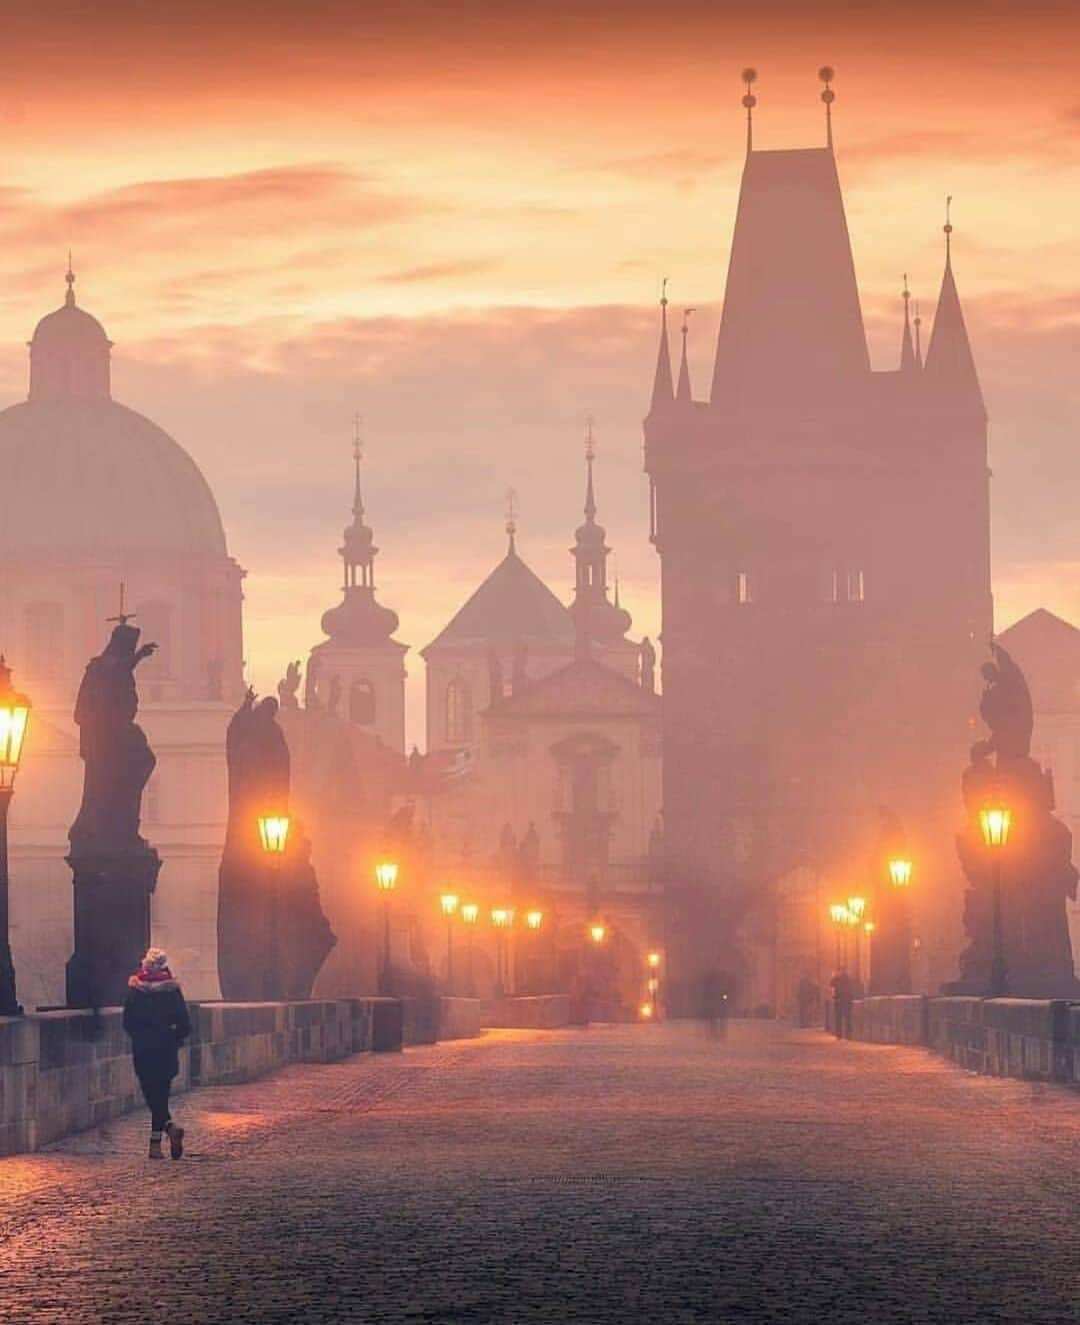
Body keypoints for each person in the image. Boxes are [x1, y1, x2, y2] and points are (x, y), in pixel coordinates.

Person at [123, 947, 191, 1159]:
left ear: (144, 965)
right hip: (166, 1049)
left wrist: (140, 1037)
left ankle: (160, 1139)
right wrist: (174, 1039)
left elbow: (127, 1022)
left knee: (152, 1096)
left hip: (144, 1050)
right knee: (161, 1094)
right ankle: (161, 1137)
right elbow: (185, 1024)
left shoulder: (136, 990)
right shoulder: (172, 991)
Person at [829, 968, 854, 1040]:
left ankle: (839, 1035)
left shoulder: (837, 978)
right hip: (846, 1001)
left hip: (839, 1000)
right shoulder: (848, 978)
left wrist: (834, 976)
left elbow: (831, 984)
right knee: (847, 1018)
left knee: (839, 1018)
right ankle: (848, 1035)